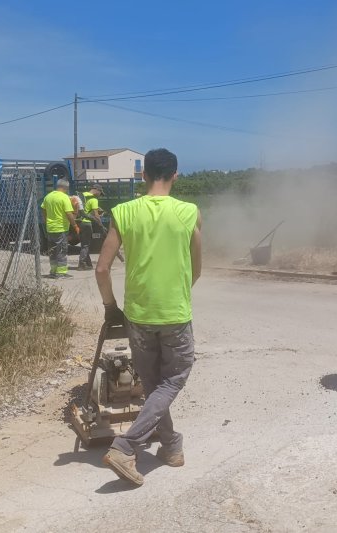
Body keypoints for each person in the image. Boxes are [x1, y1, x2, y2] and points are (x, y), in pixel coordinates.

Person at [95, 148, 202, 486]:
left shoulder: (124, 212)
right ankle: (126, 446)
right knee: (175, 377)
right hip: (174, 313)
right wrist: (178, 292)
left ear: (143, 176)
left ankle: (171, 447)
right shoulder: (189, 213)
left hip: (138, 316)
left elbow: (101, 269)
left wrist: (111, 307)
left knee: (155, 383)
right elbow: (197, 268)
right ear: (175, 175)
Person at [40, 178, 78, 279]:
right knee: (61, 251)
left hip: (50, 228)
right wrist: (74, 225)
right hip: (61, 228)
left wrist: (45, 220)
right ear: (66, 187)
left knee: (52, 251)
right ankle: (61, 273)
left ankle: (53, 271)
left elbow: (43, 209)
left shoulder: (48, 196)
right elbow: (69, 213)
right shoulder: (64, 197)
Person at [78, 183, 104, 270]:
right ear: (97, 190)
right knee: (86, 245)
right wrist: (100, 224)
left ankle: (88, 264)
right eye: (100, 193)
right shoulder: (93, 199)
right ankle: (81, 264)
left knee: (84, 244)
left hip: (80, 222)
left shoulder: (82, 195)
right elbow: (96, 215)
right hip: (87, 224)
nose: (100, 196)